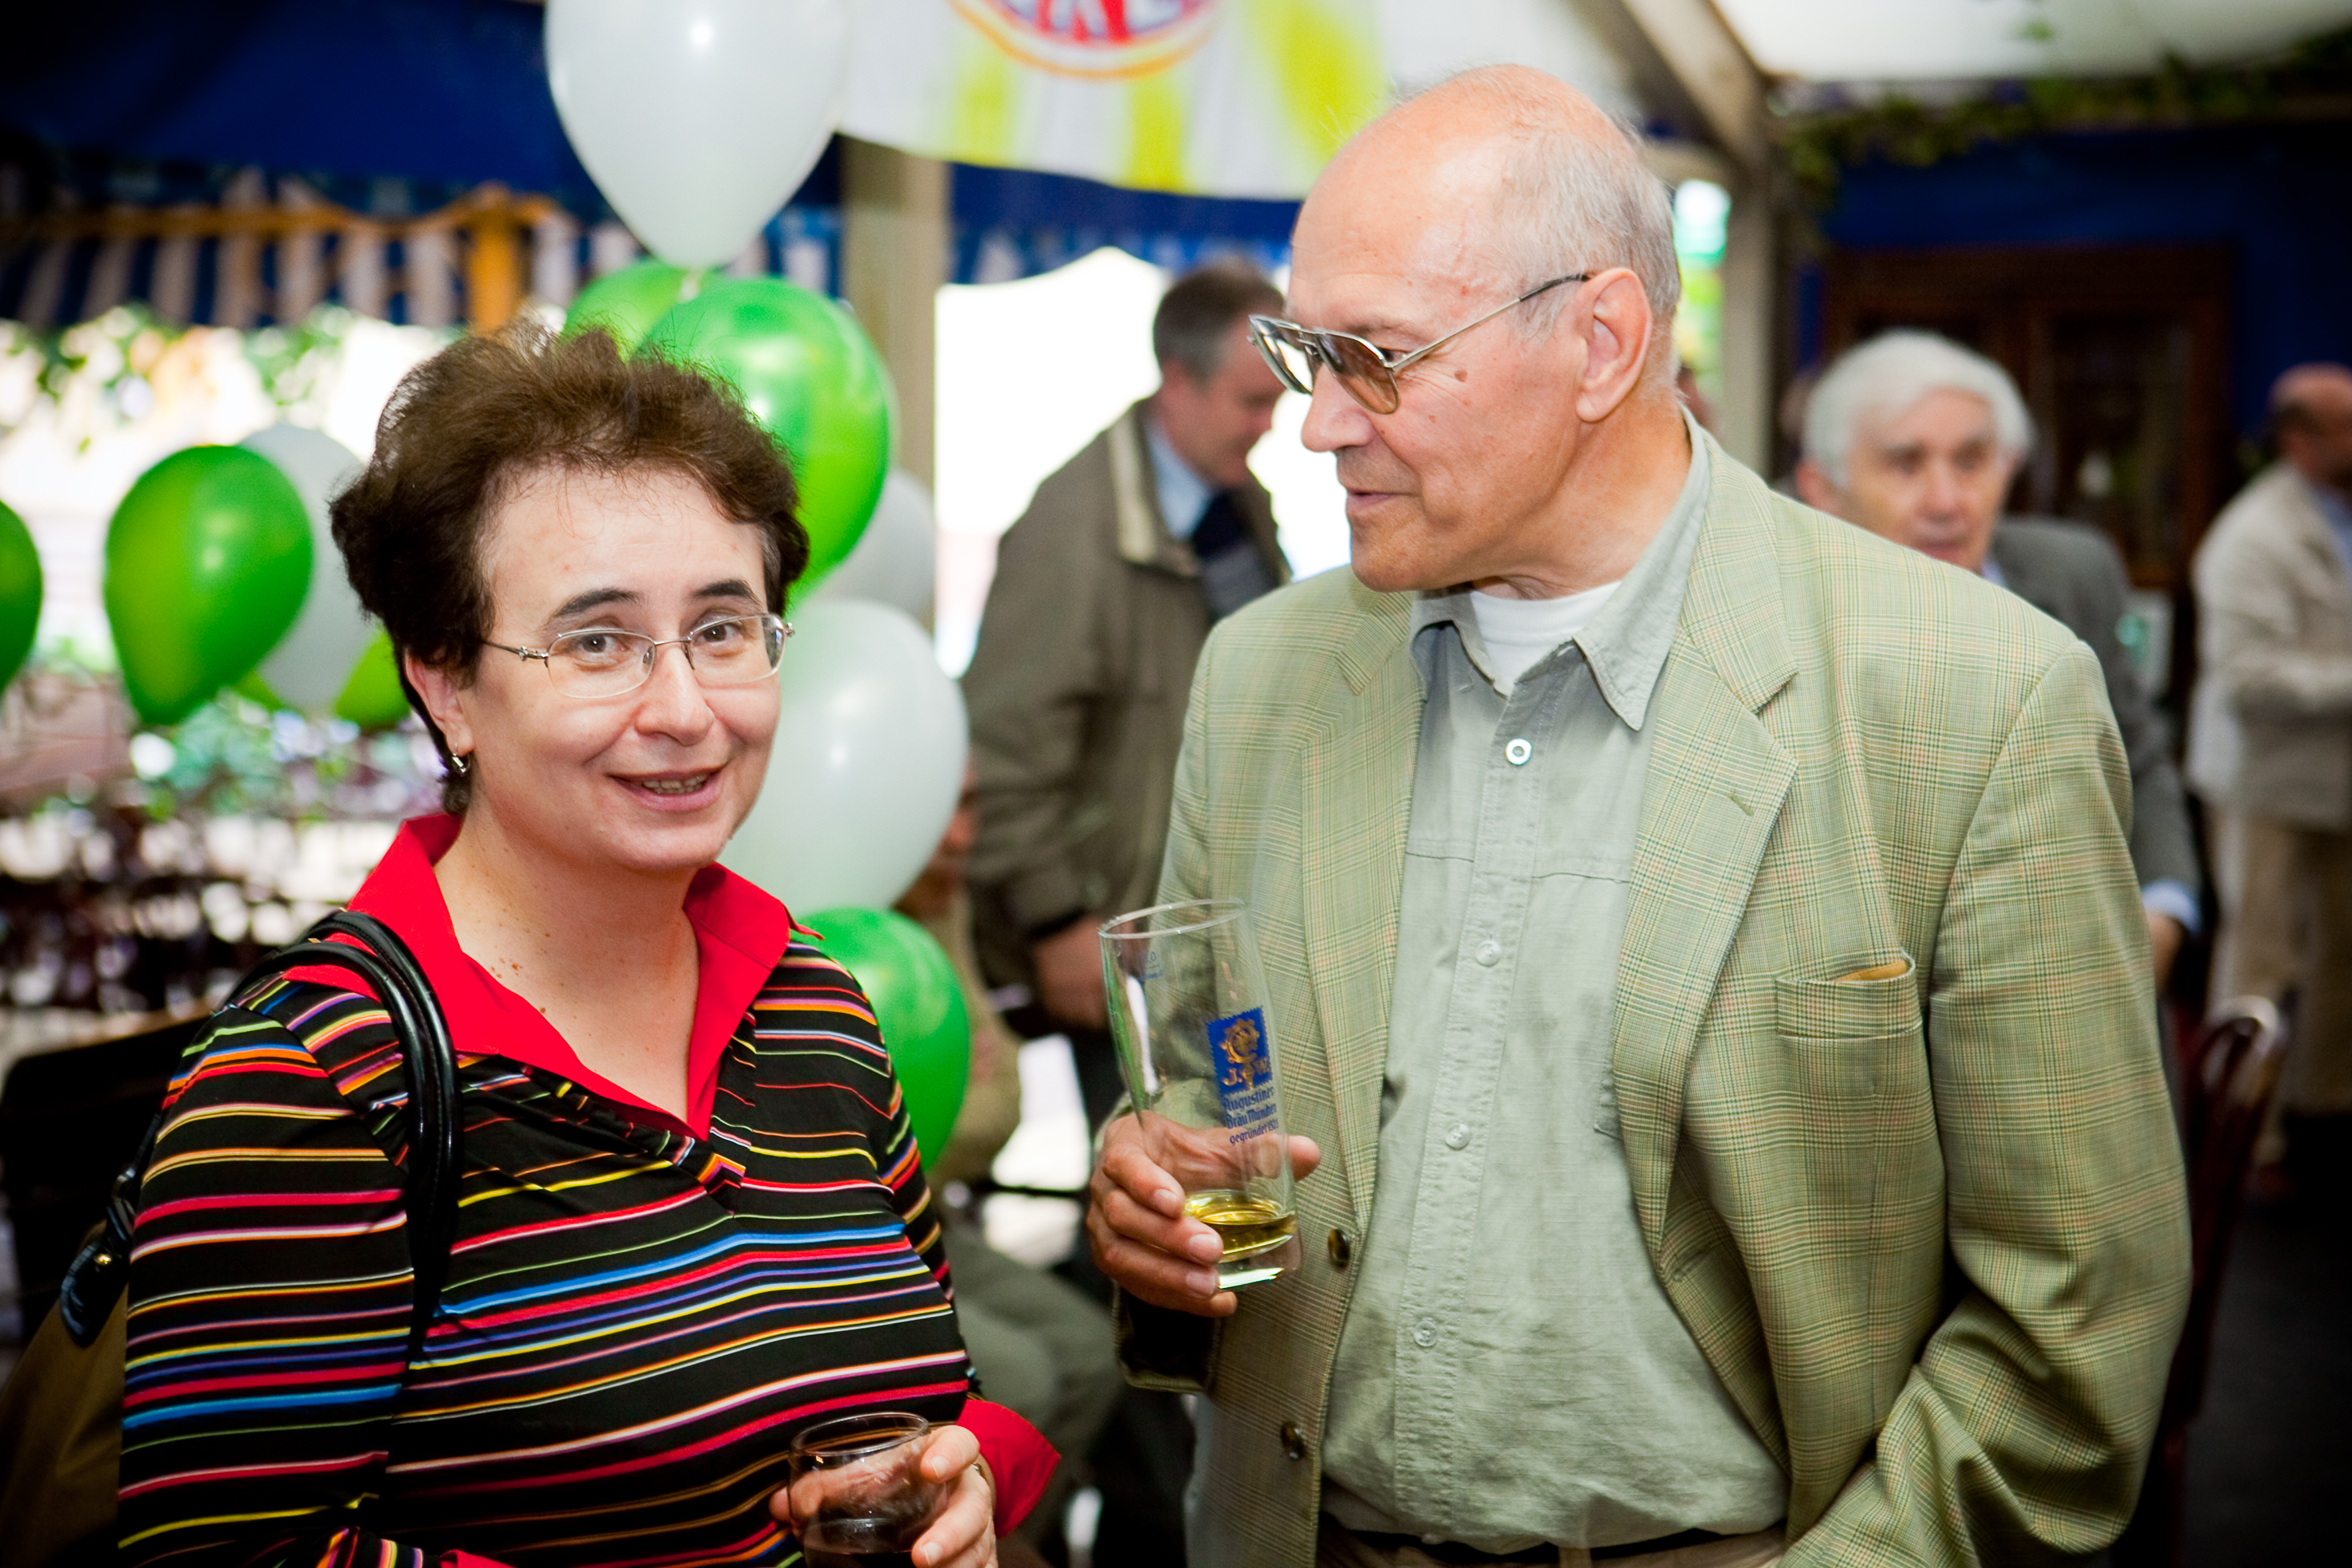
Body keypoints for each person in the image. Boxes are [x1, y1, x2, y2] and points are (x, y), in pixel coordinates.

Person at [1086, 66, 2189, 1567]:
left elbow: (2075, 1312)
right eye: (1305, 354)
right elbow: (1202, 1092)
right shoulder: (1261, 678)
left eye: (1378, 358)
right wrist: (1146, 1192)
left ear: (1600, 342)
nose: (1318, 425)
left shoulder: (1969, 699)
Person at [116, 325, 1052, 1567]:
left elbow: (925, 1392)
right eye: (596, 641)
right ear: (446, 682)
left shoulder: (815, 1005)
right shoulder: (313, 1080)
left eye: (722, 629)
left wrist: (961, 1472)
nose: (684, 709)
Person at [963, 260, 1291, 1126]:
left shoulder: (1237, 506)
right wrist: (1056, 920)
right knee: (1155, 1163)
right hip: (1117, 939)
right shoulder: (1069, 532)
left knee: (1243, 1144)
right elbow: (1001, 747)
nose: (1270, 426)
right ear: (1179, 381)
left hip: (1219, 929)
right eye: (1252, 402)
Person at [1794, 330, 2203, 990]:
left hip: (2081, 969)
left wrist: (2162, 911)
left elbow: (2137, 755)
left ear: (2009, 467)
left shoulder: (2075, 572)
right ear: (1822, 487)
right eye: (1905, 464)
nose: (1946, 502)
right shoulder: (1781, 611)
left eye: (1971, 461)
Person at [895, 768, 1124, 1552]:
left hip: (932, 1217)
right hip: (853, 1229)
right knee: (1019, 1382)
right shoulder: (833, 909)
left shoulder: (942, 902)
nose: (963, 836)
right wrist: (966, 1085)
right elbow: (950, 1120)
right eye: (936, 804)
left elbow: (994, 1112)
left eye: (971, 801)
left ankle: (1006, 1546)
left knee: (1091, 1353)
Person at [2186, 362, 2352, 1164]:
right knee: (2261, 959)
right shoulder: (2251, 536)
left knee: (2341, 956)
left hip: (2337, 783)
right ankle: (2244, 1140)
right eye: (2344, 425)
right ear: (2298, 441)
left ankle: (2324, 1111)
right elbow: (2249, 677)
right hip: (2266, 781)